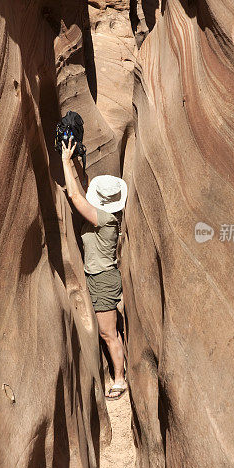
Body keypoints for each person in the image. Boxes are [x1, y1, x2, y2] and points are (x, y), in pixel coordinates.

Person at [61, 137, 128, 400]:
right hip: (98, 277)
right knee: (107, 331)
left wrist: (66, 161)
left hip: (102, 279)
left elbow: (75, 196)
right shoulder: (104, 215)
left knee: (108, 333)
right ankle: (118, 375)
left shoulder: (106, 218)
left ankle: (120, 380)